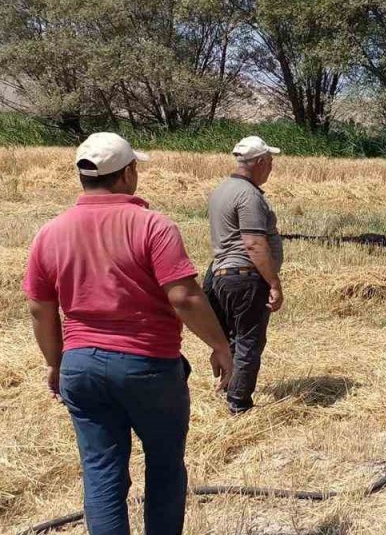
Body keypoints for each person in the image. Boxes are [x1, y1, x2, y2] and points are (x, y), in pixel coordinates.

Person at [23, 132, 234, 535]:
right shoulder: (152, 226)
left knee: (102, 472)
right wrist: (220, 345)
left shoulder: (50, 232)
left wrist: (55, 362)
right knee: (165, 466)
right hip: (148, 365)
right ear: (127, 174)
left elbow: (39, 308)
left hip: (80, 366)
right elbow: (186, 297)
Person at [205, 135, 283, 414]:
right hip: (244, 277)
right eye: (270, 162)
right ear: (260, 162)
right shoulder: (248, 195)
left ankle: (228, 385)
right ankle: (239, 405)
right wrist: (273, 283)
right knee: (249, 341)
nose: (272, 167)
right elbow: (253, 243)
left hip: (220, 274)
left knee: (231, 339)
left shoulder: (222, 190)